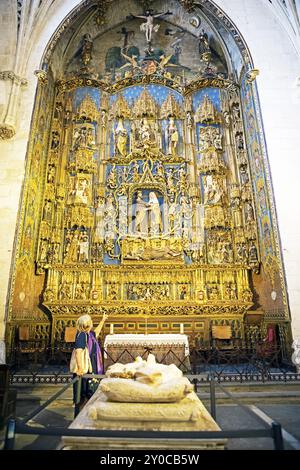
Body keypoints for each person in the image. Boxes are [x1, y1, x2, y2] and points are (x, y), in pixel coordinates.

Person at [72, 313, 108, 417]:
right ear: (87, 324)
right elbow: (78, 351)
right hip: (84, 369)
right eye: (91, 321)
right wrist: (79, 368)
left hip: (91, 367)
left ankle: (86, 417)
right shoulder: (82, 335)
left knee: (90, 392)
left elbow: (96, 332)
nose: (92, 323)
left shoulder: (89, 334)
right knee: (83, 393)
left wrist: (103, 320)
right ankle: (79, 419)